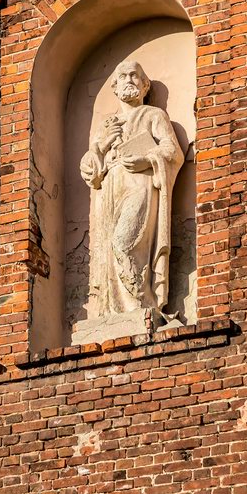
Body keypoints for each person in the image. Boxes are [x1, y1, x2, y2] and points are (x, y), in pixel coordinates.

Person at [80, 60, 184, 315]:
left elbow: (173, 152)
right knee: (110, 250)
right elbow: (90, 172)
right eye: (123, 76)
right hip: (111, 187)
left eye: (135, 76)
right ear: (115, 86)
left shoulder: (153, 116)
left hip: (140, 183)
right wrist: (100, 147)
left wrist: (146, 159)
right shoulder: (107, 125)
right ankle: (115, 313)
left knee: (124, 243)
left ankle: (142, 305)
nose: (129, 80)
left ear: (145, 85)